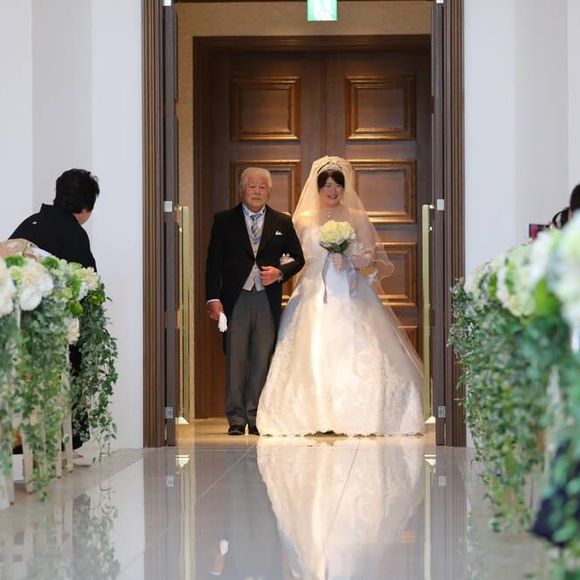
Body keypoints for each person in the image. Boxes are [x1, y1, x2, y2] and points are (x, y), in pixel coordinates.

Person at [256, 156, 424, 436]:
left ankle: (359, 413)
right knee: (311, 346)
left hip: (351, 288)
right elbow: (291, 255)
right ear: (318, 188)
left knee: (357, 344)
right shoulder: (302, 219)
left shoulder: (356, 216)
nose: (332, 191)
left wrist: (351, 260)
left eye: (338, 185)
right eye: (327, 185)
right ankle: (311, 414)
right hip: (313, 291)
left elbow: (370, 254)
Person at [205, 167, 305, 436]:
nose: (257, 191)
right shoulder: (224, 220)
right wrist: (213, 297)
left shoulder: (282, 221)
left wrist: (279, 273)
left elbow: (299, 258)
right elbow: (213, 262)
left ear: (269, 191)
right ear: (242, 190)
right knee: (235, 358)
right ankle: (236, 418)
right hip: (235, 298)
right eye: (252, 186)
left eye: (262, 187)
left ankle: (256, 415)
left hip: (266, 298)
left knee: (262, 358)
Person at [10, 168, 100, 450]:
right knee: (69, 369)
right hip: (55, 332)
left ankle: (21, 440)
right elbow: (88, 283)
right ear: (86, 206)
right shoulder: (74, 233)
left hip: (16, 329)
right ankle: (63, 443)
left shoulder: (29, 224)